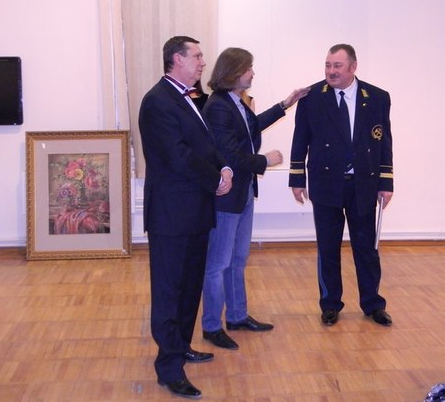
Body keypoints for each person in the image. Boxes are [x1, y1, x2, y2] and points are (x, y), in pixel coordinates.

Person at [138, 35, 233, 399]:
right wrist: (216, 180)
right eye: (197, 56)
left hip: (194, 213)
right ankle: (169, 368)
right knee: (169, 292)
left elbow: (205, 146)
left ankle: (181, 346)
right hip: (171, 216)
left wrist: (224, 168)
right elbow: (178, 156)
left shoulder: (188, 97)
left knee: (190, 287)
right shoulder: (158, 101)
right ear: (177, 59)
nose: (203, 62)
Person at [200, 47, 309, 350]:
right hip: (227, 196)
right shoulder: (218, 106)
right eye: (249, 68)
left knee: (237, 260)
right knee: (218, 264)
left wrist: (285, 104)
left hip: (243, 192)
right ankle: (211, 326)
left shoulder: (235, 101)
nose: (252, 73)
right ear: (234, 71)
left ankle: (237, 316)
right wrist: (265, 161)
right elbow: (230, 153)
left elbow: (251, 126)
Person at [289, 43, 394, 327]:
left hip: (363, 184)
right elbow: (300, 140)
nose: (331, 71)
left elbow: (384, 141)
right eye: (328, 65)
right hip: (326, 184)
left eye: (337, 66)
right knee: (328, 247)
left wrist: (386, 182)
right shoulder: (312, 97)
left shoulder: (377, 97)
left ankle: (373, 304)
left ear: (353, 67)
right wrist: (297, 178)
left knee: (366, 249)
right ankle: (330, 304)